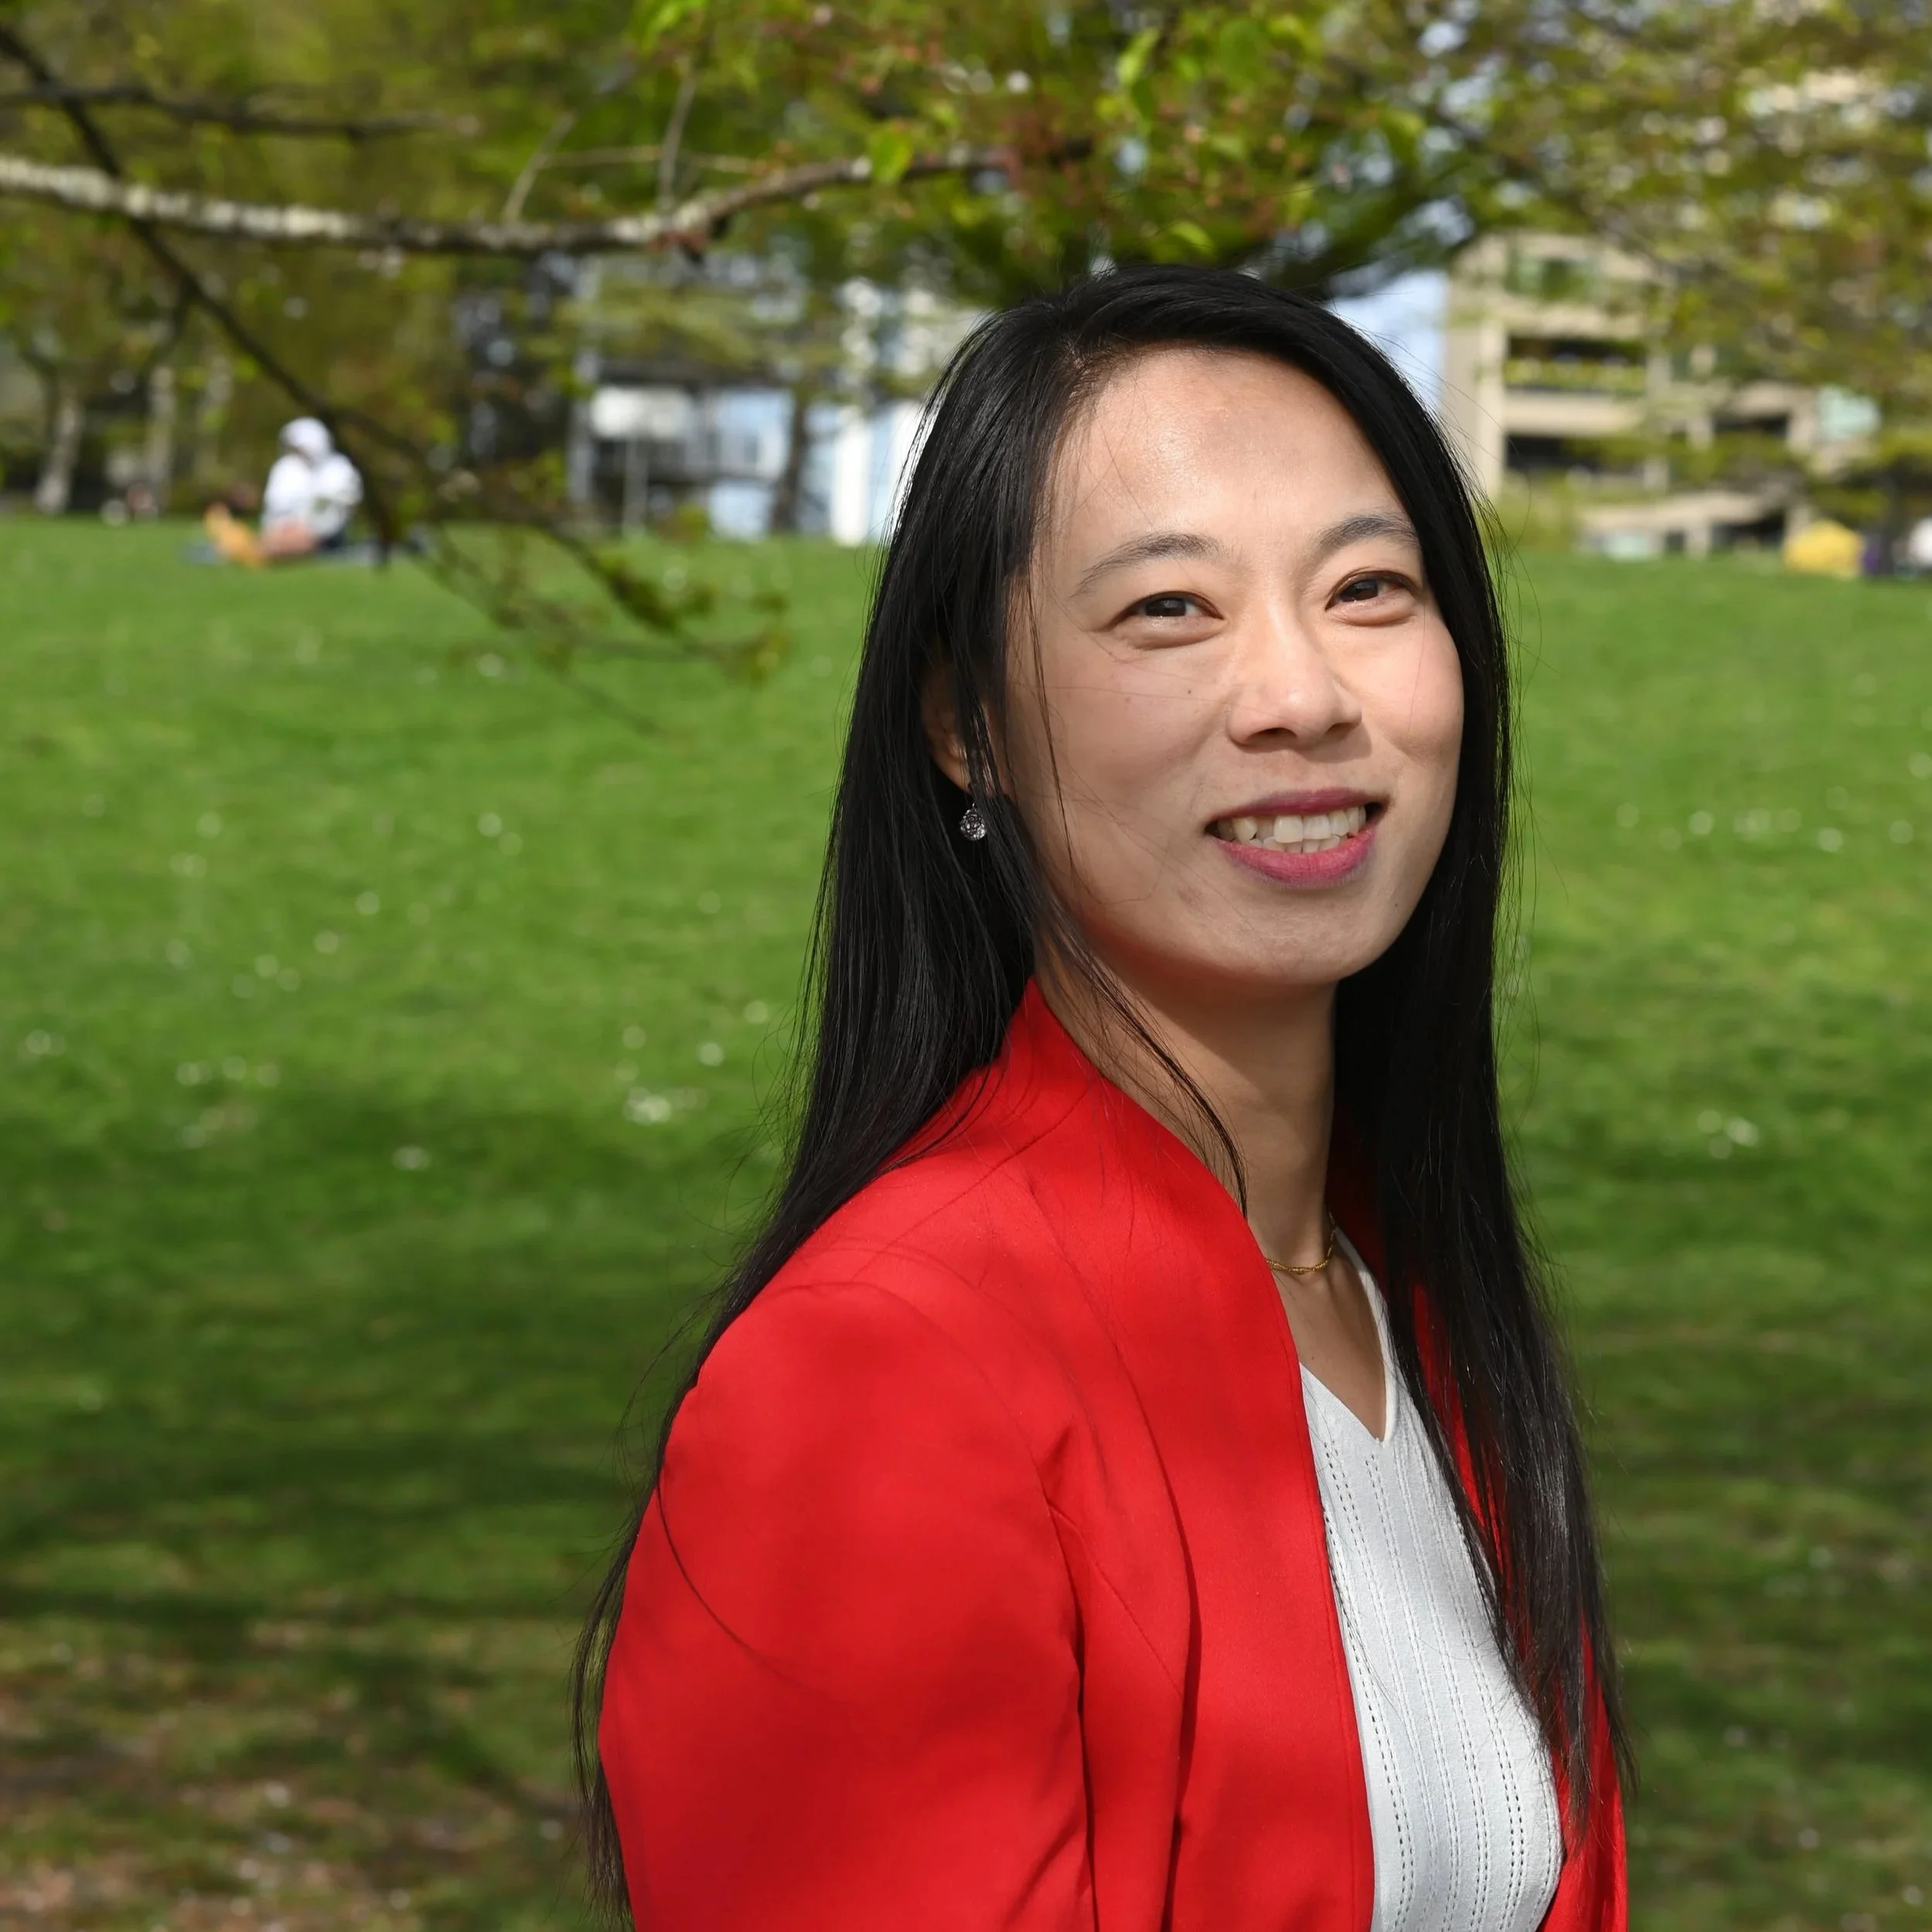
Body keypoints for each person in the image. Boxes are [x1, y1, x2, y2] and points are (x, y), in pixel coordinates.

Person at [579, 267, 1629, 1931]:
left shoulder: (1394, 1300)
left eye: (1367, 587)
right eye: (1167, 610)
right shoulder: (877, 1373)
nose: (1299, 692)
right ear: (959, 719)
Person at [203, 417, 363, 565]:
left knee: (280, 544)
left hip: (321, 535)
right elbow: (276, 506)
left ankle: (246, 551)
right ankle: (243, 547)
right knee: (272, 540)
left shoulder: (340, 470)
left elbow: (336, 512)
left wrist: (307, 526)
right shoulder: (287, 468)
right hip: (282, 529)